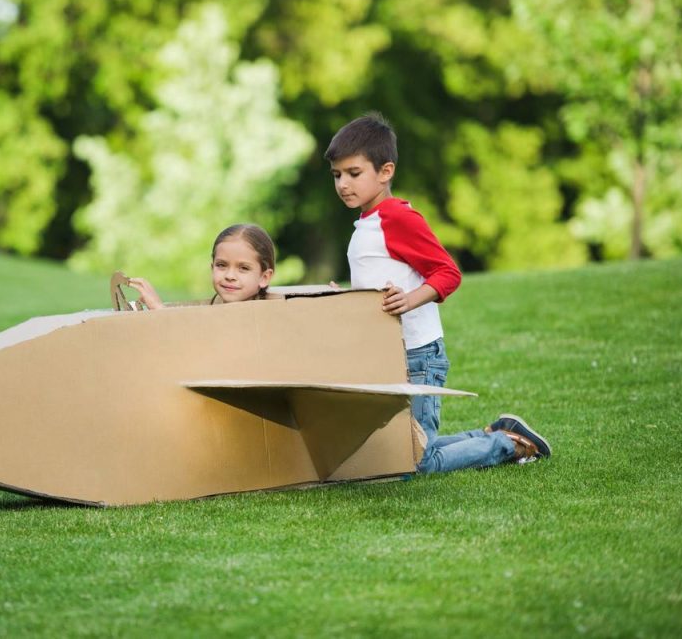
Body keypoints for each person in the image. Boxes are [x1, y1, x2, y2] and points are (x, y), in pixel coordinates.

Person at [325, 112, 552, 472]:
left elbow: (448, 272)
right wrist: (346, 298)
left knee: (417, 462)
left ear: (386, 172)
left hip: (417, 355)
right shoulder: (366, 224)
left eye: (354, 173)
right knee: (407, 449)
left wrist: (409, 300)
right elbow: (379, 288)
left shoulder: (397, 218)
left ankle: (509, 445)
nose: (343, 184)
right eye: (337, 175)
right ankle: (496, 433)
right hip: (389, 354)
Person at [127, 224, 277, 309]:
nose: (230, 276)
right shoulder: (214, 307)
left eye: (243, 268)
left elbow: (198, 339)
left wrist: (159, 311)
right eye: (221, 265)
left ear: (264, 277)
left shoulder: (260, 317)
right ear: (212, 267)